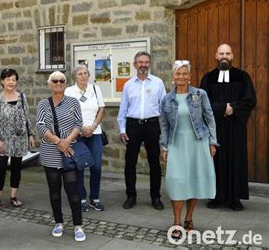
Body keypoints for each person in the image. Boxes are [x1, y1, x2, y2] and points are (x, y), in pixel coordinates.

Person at [160, 60, 218, 238]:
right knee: (176, 181)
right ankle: (176, 222)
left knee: (194, 180)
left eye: (184, 73)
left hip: (198, 142)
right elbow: (163, 125)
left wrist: (212, 142)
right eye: (178, 73)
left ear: (190, 76)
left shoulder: (200, 95)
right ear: (173, 76)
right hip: (176, 143)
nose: (181, 77)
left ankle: (189, 218)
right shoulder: (166, 99)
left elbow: (210, 117)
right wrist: (164, 146)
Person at [200, 43, 256, 211]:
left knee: (236, 159)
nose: (224, 56)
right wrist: (222, 108)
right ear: (216, 56)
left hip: (236, 127)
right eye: (221, 53)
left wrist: (233, 108)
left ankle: (234, 199)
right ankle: (216, 197)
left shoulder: (242, 76)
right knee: (214, 161)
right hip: (215, 127)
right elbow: (203, 101)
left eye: (228, 53)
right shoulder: (208, 78)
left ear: (232, 56)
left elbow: (249, 100)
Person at [36, 71, 86, 242]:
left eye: (62, 81)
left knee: (73, 191)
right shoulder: (43, 103)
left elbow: (78, 124)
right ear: (50, 84)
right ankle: (58, 222)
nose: (58, 83)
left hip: (69, 153)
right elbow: (41, 126)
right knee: (54, 192)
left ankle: (78, 225)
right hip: (50, 153)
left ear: (65, 83)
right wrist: (59, 141)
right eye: (55, 81)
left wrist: (67, 141)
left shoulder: (73, 102)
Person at [117, 51, 166, 210]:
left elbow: (164, 108)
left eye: (146, 62)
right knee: (130, 163)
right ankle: (131, 196)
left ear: (149, 64)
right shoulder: (128, 85)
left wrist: (164, 130)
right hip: (133, 126)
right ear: (135, 64)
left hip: (152, 125)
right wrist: (122, 129)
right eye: (140, 62)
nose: (143, 65)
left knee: (154, 163)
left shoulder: (158, 83)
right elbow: (123, 110)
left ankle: (155, 197)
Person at [0, 68, 35, 211]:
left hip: (19, 139)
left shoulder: (22, 97)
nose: (11, 82)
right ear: (2, 81)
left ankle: (13, 197)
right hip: (3, 140)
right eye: (8, 79)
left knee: (16, 168)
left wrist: (30, 135)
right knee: (1, 168)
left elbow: (27, 117)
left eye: (13, 79)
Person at [64, 65, 105, 212]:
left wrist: (93, 126)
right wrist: (81, 128)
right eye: (80, 74)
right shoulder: (69, 91)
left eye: (85, 73)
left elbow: (101, 109)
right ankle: (81, 198)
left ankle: (95, 198)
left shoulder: (95, 89)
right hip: (77, 134)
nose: (83, 76)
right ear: (75, 76)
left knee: (96, 166)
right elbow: (68, 113)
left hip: (95, 132)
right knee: (79, 166)